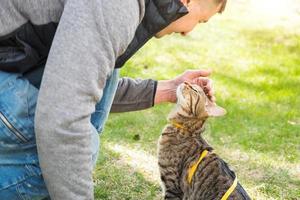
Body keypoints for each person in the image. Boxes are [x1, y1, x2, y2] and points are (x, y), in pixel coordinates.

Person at [0, 0, 226, 199]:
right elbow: (63, 118)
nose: (189, 32)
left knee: (107, 76)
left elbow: (78, 83)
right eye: (201, 21)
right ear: (187, 1)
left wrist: (167, 90)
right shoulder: (118, 5)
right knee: (69, 155)